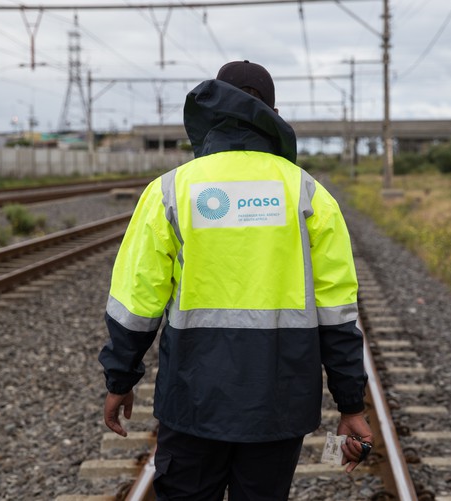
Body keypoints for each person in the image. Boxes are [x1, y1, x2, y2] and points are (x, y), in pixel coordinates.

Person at [99, 60, 371, 500]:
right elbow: (337, 313)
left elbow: (137, 300)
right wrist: (351, 404)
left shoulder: (171, 190)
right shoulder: (308, 193)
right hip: (279, 402)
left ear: (213, 110)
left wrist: (119, 380)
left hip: (193, 398)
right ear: (272, 115)